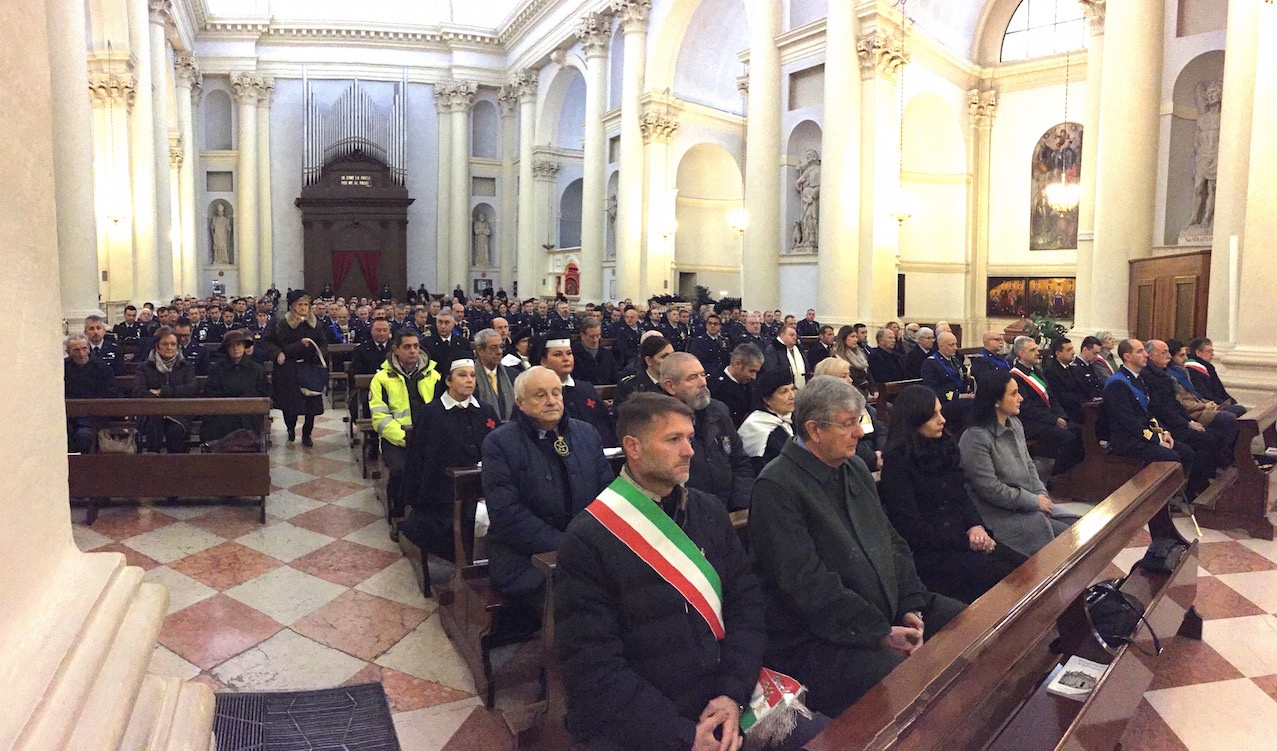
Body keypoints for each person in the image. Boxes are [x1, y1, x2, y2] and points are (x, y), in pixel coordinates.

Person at [555, 393, 827, 751]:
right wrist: (681, 736)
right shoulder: (589, 537)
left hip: (726, 695)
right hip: (651, 721)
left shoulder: (708, 510)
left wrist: (732, 694)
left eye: (689, 437)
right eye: (673, 439)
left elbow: (746, 607)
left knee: (834, 740)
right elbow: (594, 667)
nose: (689, 450)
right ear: (632, 447)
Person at [749, 376, 966, 717]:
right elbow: (806, 585)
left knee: (966, 625)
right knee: (899, 681)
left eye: (859, 421)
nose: (861, 432)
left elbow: (891, 539)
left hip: (883, 609)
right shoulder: (777, 486)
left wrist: (911, 604)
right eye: (848, 424)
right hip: (820, 635)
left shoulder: (854, 467)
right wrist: (878, 632)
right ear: (814, 429)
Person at [482, 366, 614, 611]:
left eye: (556, 393)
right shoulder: (500, 443)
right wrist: (570, 547)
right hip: (525, 557)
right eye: (540, 395)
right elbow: (507, 515)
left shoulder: (586, 433)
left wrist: (594, 544)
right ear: (520, 402)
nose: (552, 401)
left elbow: (607, 497)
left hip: (586, 549)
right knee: (579, 598)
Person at [880, 385, 1026, 604]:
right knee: (1002, 577)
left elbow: (961, 496)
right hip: (932, 553)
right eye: (933, 416)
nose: (943, 420)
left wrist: (977, 526)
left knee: (1025, 567)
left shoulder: (942, 447)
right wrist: (966, 539)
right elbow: (910, 527)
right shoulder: (897, 464)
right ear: (914, 420)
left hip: (964, 537)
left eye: (940, 412)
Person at [959, 370, 1074, 558]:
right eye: (1013, 394)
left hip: (1027, 503)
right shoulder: (975, 437)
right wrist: (1033, 502)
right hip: (998, 513)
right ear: (996, 401)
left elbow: (1029, 465)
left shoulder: (1015, 424)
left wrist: (1041, 495)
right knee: (1058, 539)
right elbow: (989, 489)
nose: (1020, 398)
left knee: (1075, 526)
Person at [399, 358, 499, 561]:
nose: (470, 380)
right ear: (448, 380)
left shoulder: (485, 410)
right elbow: (419, 461)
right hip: (444, 494)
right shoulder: (431, 414)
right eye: (462, 375)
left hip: (487, 489)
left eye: (472, 375)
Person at [1104, 339, 1209, 500]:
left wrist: (1163, 432)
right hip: (1127, 440)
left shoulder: (1137, 379)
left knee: (1186, 452)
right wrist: (1157, 440)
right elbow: (1129, 422)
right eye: (1139, 351)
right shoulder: (1118, 383)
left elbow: (1148, 412)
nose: (1146, 354)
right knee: (1171, 454)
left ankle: (1174, 495)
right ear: (1127, 356)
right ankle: (1159, 501)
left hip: (1141, 435)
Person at [659, 353, 754, 511]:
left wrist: (740, 506)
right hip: (687, 513)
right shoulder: (659, 422)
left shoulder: (719, 412)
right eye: (692, 378)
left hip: (729, 508)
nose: (703, 382)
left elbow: (740, 462)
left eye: (703, 375)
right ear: (670, 386)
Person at [370, 328, 442, 517]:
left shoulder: (433, 375)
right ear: (396, 349)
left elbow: (441, 410)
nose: (413, 351)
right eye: (407, 347)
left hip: (428, 437)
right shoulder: (382, 379)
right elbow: (380, 418)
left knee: (440, 468)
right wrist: (405, 437)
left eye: (416, 346)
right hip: (397, 438)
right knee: (401, 471)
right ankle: (397, 513)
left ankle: (429, 511)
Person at [1145, 338, 1232, 473]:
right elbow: (1160, 409)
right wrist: (1186, 423)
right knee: (1207, 439)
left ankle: (1209, 476)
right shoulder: (1148, 377)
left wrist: (1189, 421)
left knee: (1214, 435)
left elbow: (1175, 404)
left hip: (1179, 420)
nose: (1168, 356)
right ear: (1151, 356)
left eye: (1168, 352)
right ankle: (1196, 485)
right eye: (1164, 353)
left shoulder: (1164, 374)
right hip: (1167, 424)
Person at [1008, 336, 1084, 474]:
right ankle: (1057, 477)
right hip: (1031, 423)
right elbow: (1028, 408)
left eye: (1037, 349)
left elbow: (1052, 397)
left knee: (1080, 432)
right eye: (1032, 350)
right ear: (1022, 354)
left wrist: (1062, 416)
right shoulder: (1016, 376)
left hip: (1047, 418)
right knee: (1069, 438)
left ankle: (1073, 476)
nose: (1037, 352)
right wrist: (1054, 420)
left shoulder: (1036, 371)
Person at [262, 290, 328, 446]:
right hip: (288, 369)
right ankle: (290, 428)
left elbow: (324, 344)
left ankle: (307, 434)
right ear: (292, 306)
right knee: (289, 404)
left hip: (309, 367)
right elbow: (268, 341)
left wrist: (318, 352)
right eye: (300, 304)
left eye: (306, 304)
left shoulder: (315, 323)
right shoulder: (280, 322)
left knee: (310, 404)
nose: (304, 308)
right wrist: (277, 353)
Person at [539, 337, 618, 447]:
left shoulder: (586, 388)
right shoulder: (537, 394)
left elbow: (605, 425)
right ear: (543, 362)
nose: (566, 359)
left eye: (569, 353)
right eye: (558, 355)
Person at [132, 327, 200, 453]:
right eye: (165, 344)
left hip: (179, 412)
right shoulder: (145, 367)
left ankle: (175, 465)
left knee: (175, 430)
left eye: (173, 344)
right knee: (155, 424)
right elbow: (139, 391)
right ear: (157, 346)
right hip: (152, 413)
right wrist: (160, 398)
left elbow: (191, 388)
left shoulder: (186, 366)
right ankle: (154, 462)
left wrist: (162, 392)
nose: (169, 347)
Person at [1167, 338, 1241, 449]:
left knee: (1237, 411)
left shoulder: (1182, 371)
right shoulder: (1171, 376)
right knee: (1228, 418)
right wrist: (1205, 405)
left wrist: (1211, 403)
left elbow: (1195, 394)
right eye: (1181, 356)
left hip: (1200, 407)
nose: (1186, 359)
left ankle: (1234, 453)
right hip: (1193, 413)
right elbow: (1181, 402)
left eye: (1185, 355)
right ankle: (1228, 457)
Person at [813, 357, 884, 471]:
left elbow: (879, 428)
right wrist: (874, 458)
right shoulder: (822, 409)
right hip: (851, 463)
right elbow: (839, 443)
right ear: (829, 379)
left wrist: (882, 452)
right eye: (844, 376)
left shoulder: (854, 399)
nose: (850, 380)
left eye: (849, 375)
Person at [201, 329, 270, 442]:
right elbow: (210, 392)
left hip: (248, 412)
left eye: (239, 344)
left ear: (244, 347)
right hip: (223, 412)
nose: (235, 348)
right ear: (227, 349)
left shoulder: (256, 369)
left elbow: (263, 391)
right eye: (231, 345)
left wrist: (244, 401)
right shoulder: (217, 369)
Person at [64, 333, 122, 453]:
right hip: (69, 415)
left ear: (88, 349)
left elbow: (111, 393)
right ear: (69, 352)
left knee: (83, 435)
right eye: (76, 350)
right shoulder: (64, 367)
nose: (81, 354)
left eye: (84, 348)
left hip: (94, 415)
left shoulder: (101, 367)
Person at [738, 368, 796, 476]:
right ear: (767, 400)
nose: (792, 396)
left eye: (792, 389)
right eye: (784, 392)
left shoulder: (791, 419)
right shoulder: (756, 427)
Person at [1185, 337, 1247, 414]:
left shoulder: (1208, 367)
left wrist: (1231, 401)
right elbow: (1203, 393)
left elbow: (1220, 389)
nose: (1212, 354)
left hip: (1217, 402)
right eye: (1209, 351)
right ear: (1198, 352)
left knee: (1239, 409)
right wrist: (1222, 403)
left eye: (1212, 351)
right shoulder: (1191, 369)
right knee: (1237, 411)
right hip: (1207, 405)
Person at [710, 343, 764, 428]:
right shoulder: (715, 387)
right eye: (751, 371)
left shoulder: (752, 384)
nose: (754, 376)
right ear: (737, 364)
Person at [615, 335, 674, 406]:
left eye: (672, 355)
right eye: (664, 357)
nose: (670, 360)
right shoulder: (630, 387)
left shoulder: (677, 383)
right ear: (649, 361)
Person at [473, 328, 516, 422]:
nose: (499, 352)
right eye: (493, 348)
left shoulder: (513, 376)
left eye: (501, 347)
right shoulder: (471, 378)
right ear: (480, 351)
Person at [1042, 338, 1087, 424]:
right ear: (1058, 353)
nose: (1073, 352)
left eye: (1072, 349)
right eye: (1069, 350)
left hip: (1079, 410)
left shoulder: (1071, 368)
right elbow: (1060, 396)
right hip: (1066, 413)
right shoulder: (1051, 371)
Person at [571, 317, 618, 386]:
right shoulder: (573, 355)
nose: (595, 340)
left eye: (598, 335)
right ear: (582, 336)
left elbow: (614, 378)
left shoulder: (607, 355)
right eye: (591, 336)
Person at [424, 310, 473, 376]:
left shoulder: (463, 343)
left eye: (447, 322)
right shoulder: (426, 344)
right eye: (440, 322)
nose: (443, 326)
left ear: (453, 324)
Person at [831, 325, 874, 398]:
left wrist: (874, 389)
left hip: (866, 392)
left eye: (856, 337)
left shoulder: (860, 354)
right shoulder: (837, 358)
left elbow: (868, 374)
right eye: (852, 337)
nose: (855, 340)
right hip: (851, 395)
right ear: (844, 339)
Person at [688, 313, 732, 377]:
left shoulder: (724, 341)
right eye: (710, 323)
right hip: (707, 375)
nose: (712, 326)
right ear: (706, 325)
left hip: (723, 375)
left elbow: (726, 359)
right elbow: (696, 362)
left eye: (715, 324)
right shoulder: (698, 342)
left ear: (720, 326)